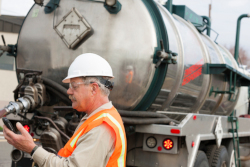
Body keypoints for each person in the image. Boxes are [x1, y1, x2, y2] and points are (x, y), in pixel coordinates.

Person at [3, 53, 127, 167]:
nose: (68, 91)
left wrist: (32, 149)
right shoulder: (97, 118)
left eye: (74, 86)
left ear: (94, 89)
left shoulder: (101, 127)